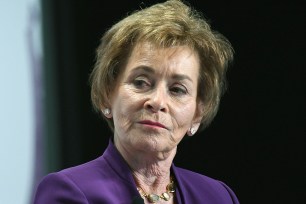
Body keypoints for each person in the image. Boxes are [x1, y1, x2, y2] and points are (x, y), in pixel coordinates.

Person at [33, 0, 239, 203]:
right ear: (107, 93)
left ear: (197, 113)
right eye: (141, 82)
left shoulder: (218, 196)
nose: (158, 101)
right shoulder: (69, 192)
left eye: (177, 90)